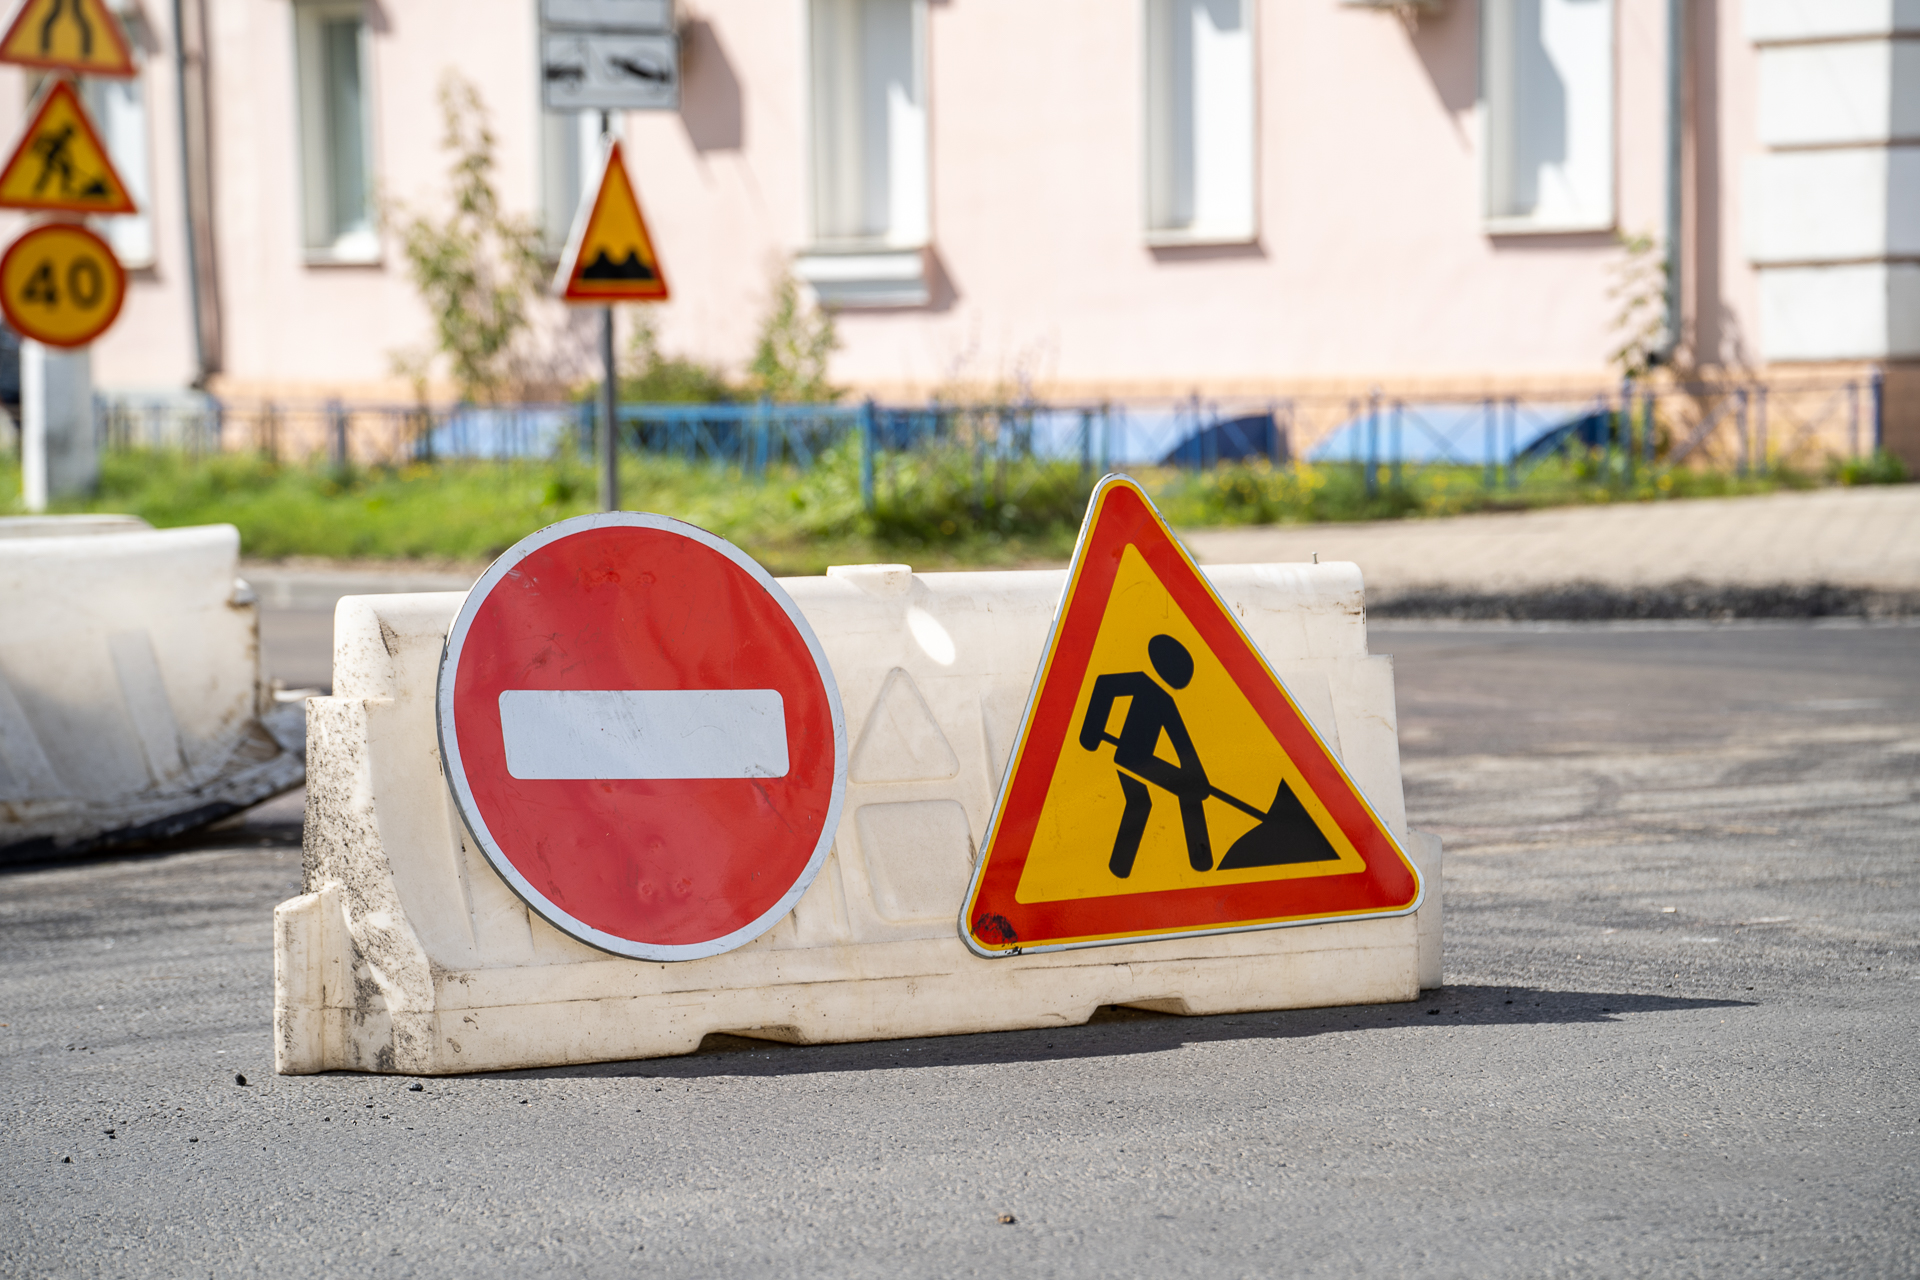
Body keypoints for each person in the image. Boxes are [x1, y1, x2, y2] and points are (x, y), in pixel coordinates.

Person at [1077, 633, 1213, 878]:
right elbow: (1104, 686)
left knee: (1142, 802)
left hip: (1134, 760)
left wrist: (1197, 775)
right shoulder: (1150, 689)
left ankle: (1119, 868)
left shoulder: (1163, 699)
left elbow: (1182, 743)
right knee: (1178, 792)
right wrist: (1091, 732)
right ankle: (1200, 859)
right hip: (1133, 759)